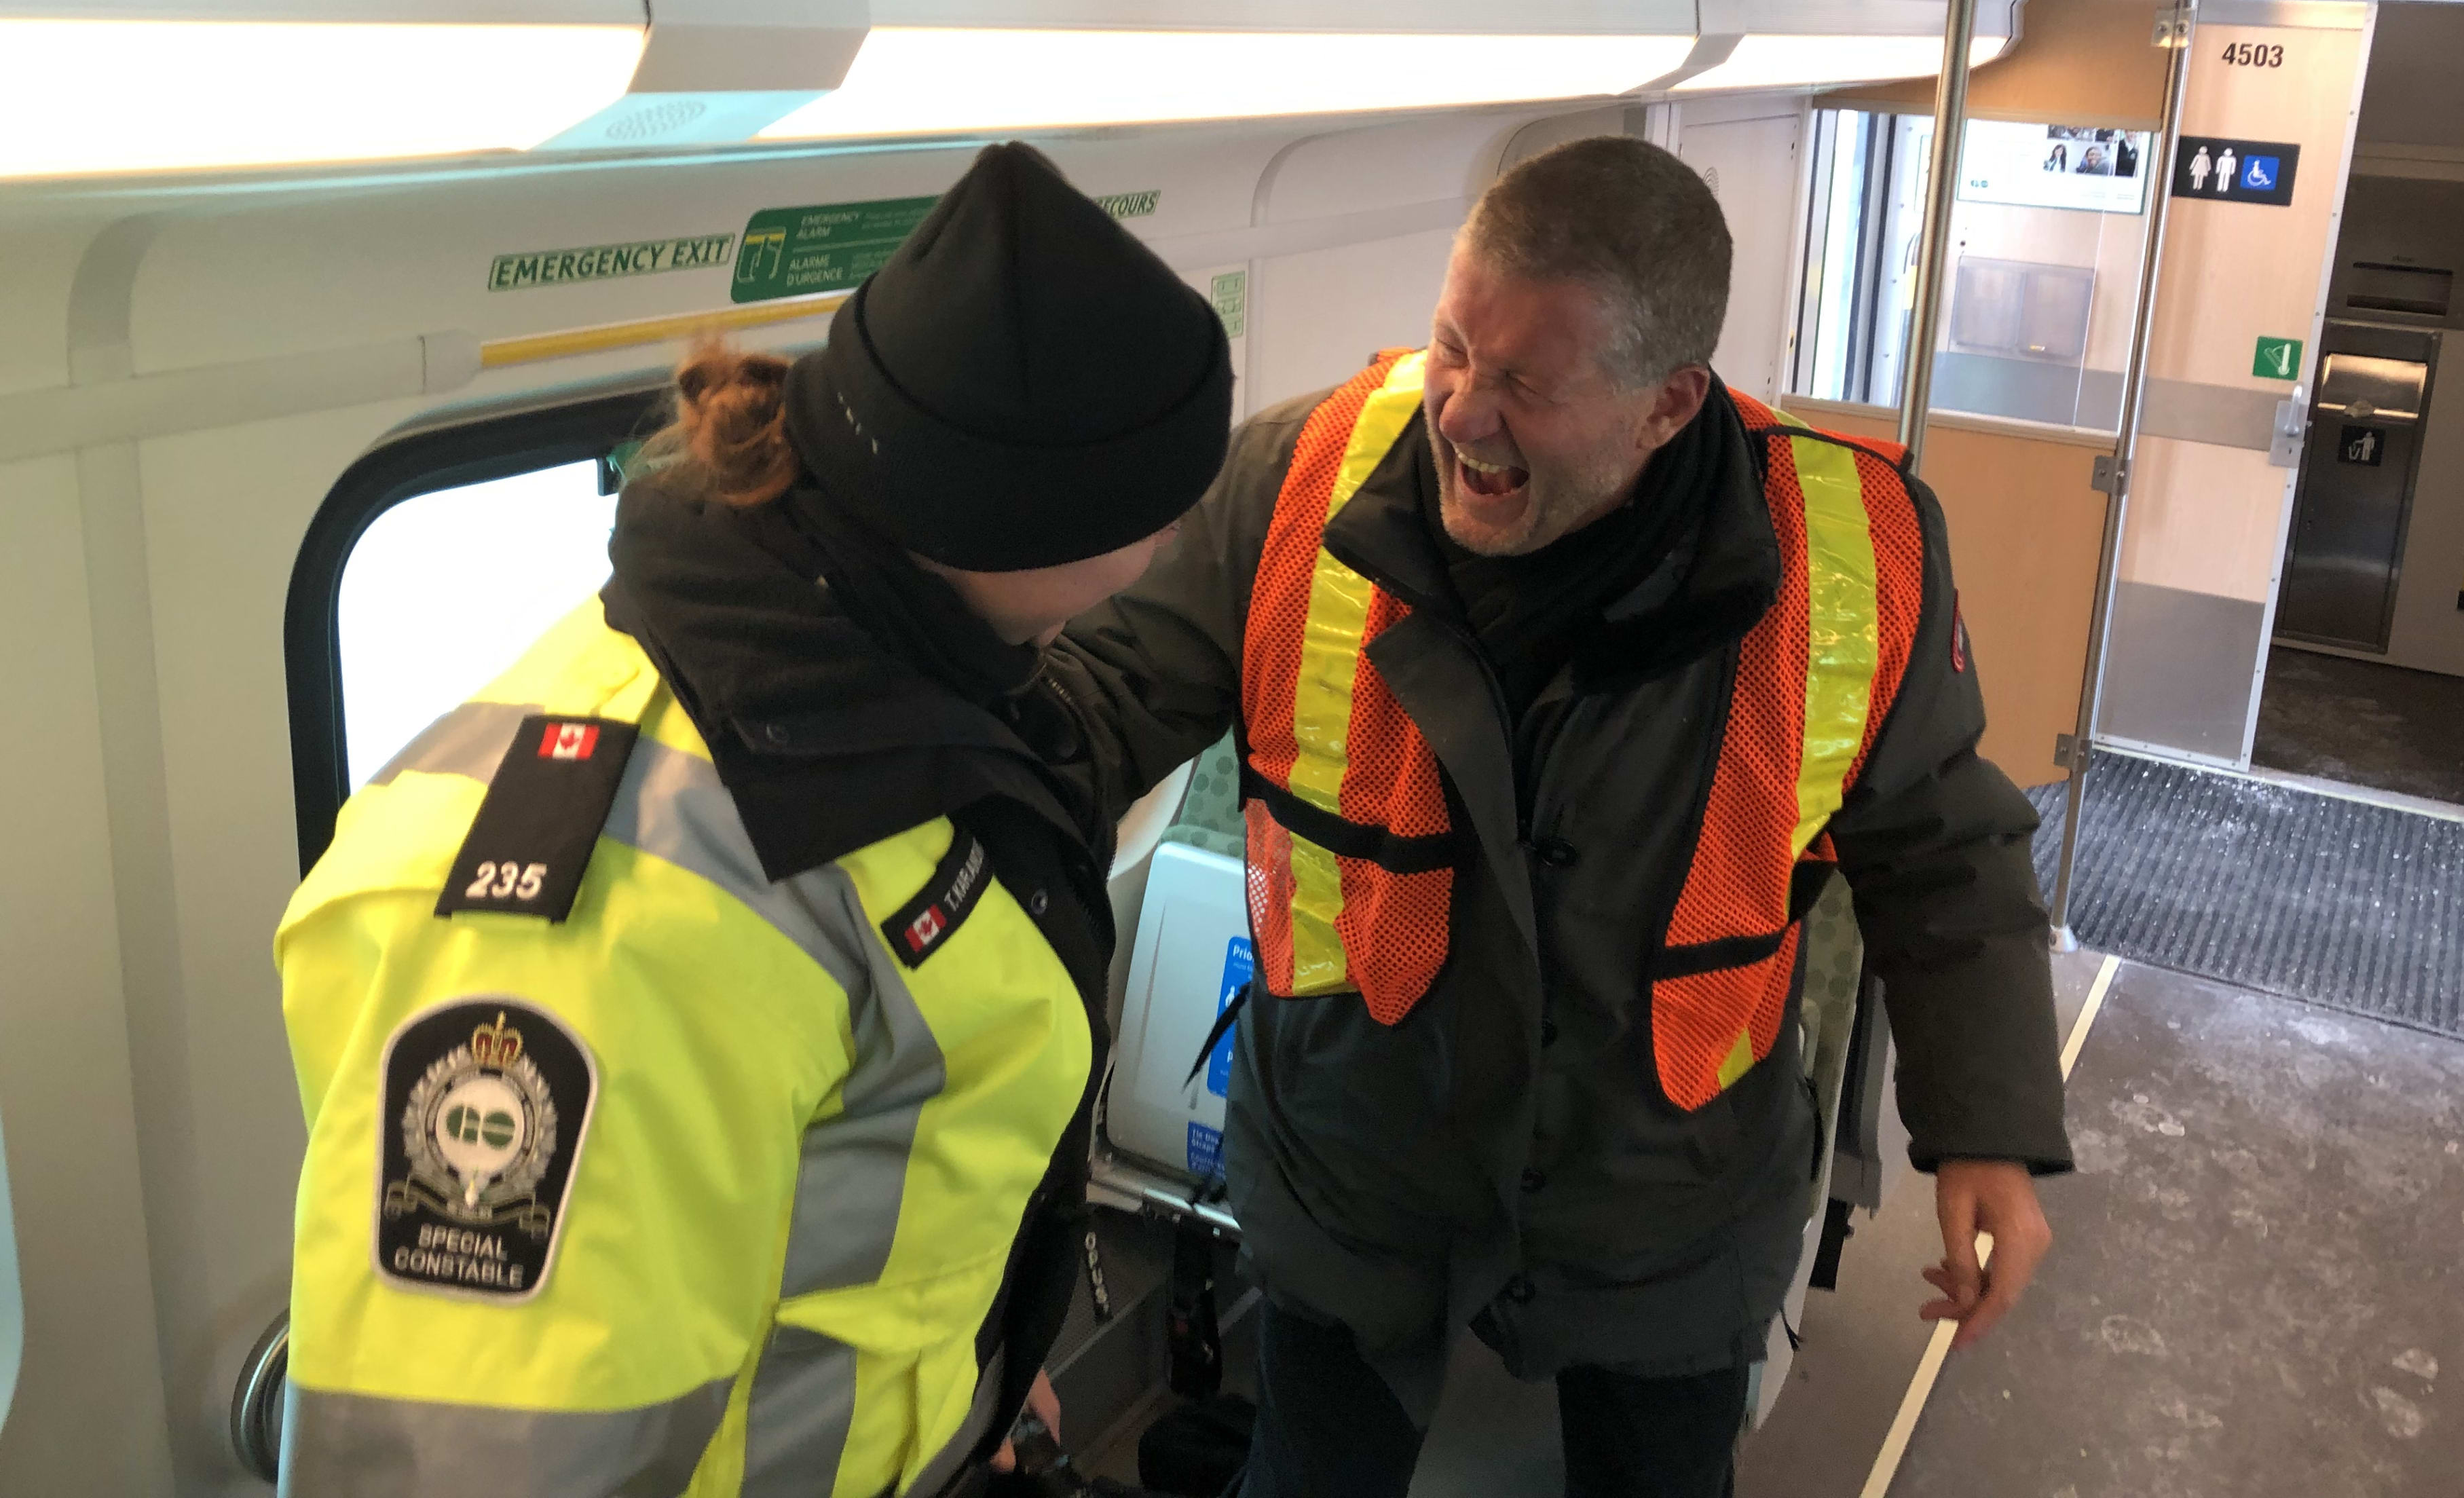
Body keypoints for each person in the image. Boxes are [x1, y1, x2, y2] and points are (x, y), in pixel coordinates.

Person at [1050, 135, 2072, 1497]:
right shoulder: (1303, 476)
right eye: (1451, 346)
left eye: (1525, 382)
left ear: (1666, 405)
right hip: (1356, 1166)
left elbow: (1944, 850)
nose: (1461, 410)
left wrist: (1988, 1123)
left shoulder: (1851, 554)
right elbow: (1105, 701)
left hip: (1667, 1195)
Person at [272, 144, 1232, 1496]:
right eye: (1160, 506)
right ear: (1032, 518)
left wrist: (978, 1382)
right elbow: (481, 1464)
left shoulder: (894, 695)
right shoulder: (607, 921)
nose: (1176, 536)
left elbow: (866, 1190)